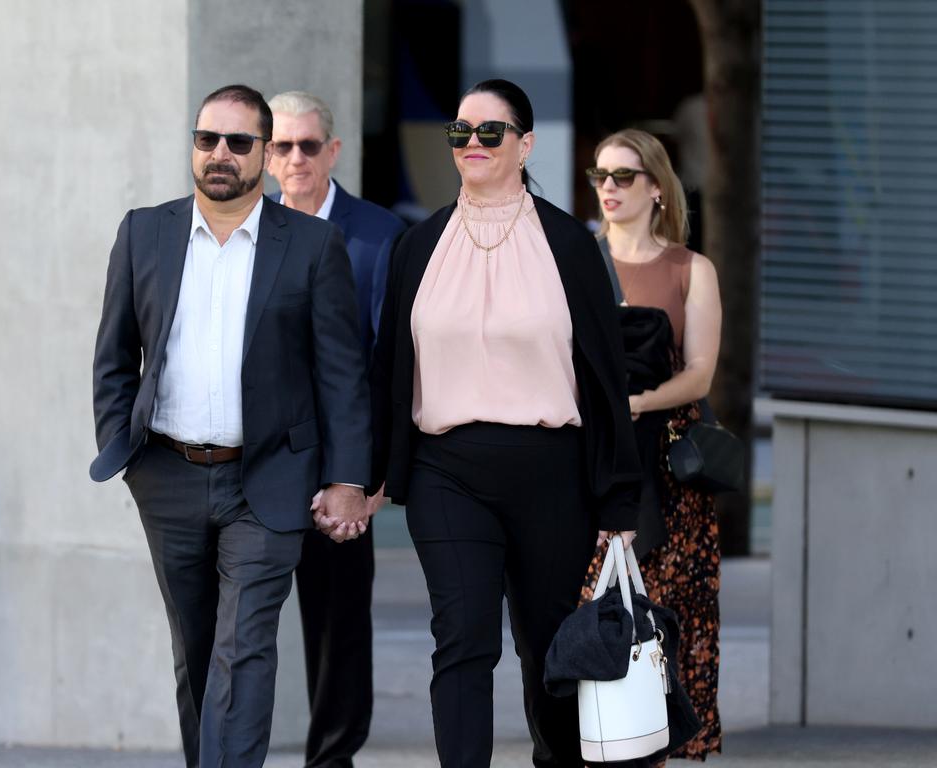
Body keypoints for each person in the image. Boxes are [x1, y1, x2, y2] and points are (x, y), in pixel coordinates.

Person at [358, 78, 643, 767]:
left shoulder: (571, 244)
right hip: (445, 471)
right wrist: (364, 476)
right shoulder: (417, 246)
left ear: (526, 145)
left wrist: (619, 495)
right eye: (462, 132)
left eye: (491, 132)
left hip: (553, 475)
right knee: (463, 638)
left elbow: (606, 377)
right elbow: (390, 368)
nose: (474, 144)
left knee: (550, 646)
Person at [90, 84, 371, 768]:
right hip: (167, 476)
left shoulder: (311, 244)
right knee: (196, 653)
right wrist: (122, 450)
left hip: (268, 483)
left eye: (240, 142)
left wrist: (346, 479)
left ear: (264, 154)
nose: (220, 154)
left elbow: (342, 373)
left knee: (242, 649)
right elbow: (114, 354)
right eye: (207, 138)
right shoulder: (144, 231)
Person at [266, 90, 405, 768]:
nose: (296, 158)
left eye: (309, 145)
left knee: (338, 632)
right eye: (283, 146)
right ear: (266, 156)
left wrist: (368, 476)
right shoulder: (242, 233)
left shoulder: (380, 237)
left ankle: (333, 761)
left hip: (338, 476)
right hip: (256, 470)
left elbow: (390, 366)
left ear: (335, 151)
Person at [580, 128, 723, 763]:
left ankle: (655, 745)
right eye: (599, 176)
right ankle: (596, 738)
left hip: (667, 472)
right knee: (592, 616)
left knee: (666, 620)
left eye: (623, 176)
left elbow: (699, 375)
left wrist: (632, 403)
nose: (607, 187)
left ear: (658, 189)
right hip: (586, 464)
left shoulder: (692, 269)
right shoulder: (575, 260)